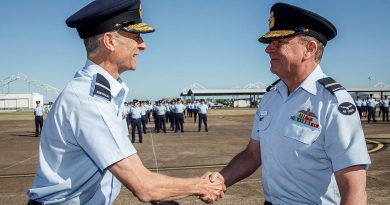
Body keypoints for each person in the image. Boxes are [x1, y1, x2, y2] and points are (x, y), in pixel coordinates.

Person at [27, 1, 225, 204]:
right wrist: (200, 186)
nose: (143, 45)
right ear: (109, 41)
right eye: (136, 36)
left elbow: (117, 168)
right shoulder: (89, 100)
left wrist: (165, 194)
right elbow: (144, 187)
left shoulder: (105, 94)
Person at [208, 3, 371, 205]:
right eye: (269, 43)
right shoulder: (271, 98)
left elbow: (353, 187)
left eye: (279, 42)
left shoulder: (332, 102)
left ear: (309, 49)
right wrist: (220, 181)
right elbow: (252, 154)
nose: (268, 49)